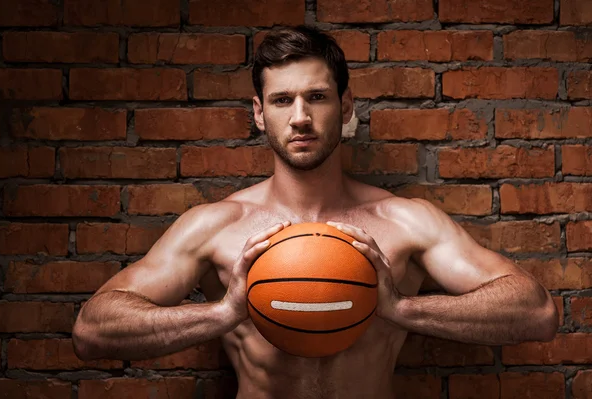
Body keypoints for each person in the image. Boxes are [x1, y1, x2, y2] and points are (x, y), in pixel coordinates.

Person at [72, 26, 559, 398]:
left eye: (317, 97)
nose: (300, 116)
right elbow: (93, 329)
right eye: (282, 100)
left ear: (346, 105)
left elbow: (536, 312)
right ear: (260, 113)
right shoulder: (216, 226)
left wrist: (401, 309)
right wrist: (224, 313)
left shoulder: (405, 222)